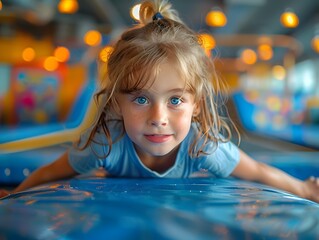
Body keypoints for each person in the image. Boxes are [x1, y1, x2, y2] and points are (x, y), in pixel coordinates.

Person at [0, 0, 318, 202]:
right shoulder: (105, 144)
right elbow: (51, 171)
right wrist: (13, 196)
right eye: (140, 99)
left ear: (196, 104)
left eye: (176, 100)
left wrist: (304, 190)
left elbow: (259, 171)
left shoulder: (202, 145)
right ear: (115, 104)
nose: (158, 117)